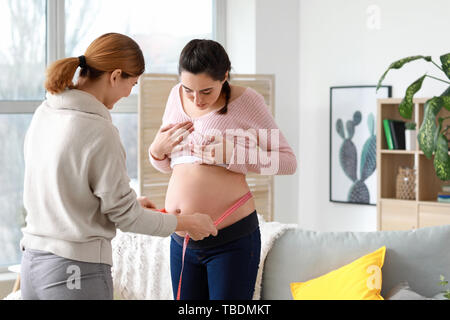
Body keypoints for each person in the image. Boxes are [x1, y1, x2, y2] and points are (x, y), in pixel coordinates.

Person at [19, 33, 217, 300]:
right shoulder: (99, 130)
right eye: (132, 84)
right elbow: (127, 218)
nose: (128, 93)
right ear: (115, 76)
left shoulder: (45, 113)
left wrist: (130, 202)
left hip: (32, 263)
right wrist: (187, 222)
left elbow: (62, 189)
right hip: (75, 270)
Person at [149, 39, 297, 300]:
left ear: (224, 76)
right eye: (188, 89)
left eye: (207, 91)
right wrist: (156, 152)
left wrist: (234, 155)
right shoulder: (175, 96)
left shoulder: (247, 101)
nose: (197, 99)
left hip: (230, 239)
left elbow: (287, 162)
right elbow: (171, 165)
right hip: (181, 240)